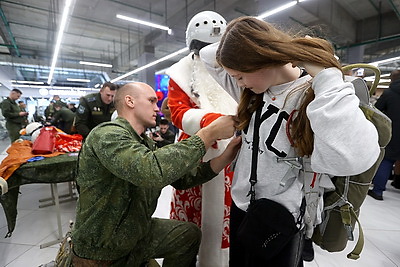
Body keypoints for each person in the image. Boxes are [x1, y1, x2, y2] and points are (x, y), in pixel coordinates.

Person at [200, 16, 380, 266]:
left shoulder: (316, 95)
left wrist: (324, 74)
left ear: (260, 61)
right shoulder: (254, 91)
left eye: (240, 76)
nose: (238, 83)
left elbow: (352, 157)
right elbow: (209, 54)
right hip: (243, 208)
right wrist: (279, 46)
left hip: (284, 219)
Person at [71, 82, 240, 266]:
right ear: (130, 101)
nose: (157, 108)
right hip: (102, 249)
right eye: (151, 101)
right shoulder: (107, 135)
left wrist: (226, 156)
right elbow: (151, 171)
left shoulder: (145, 144)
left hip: (134, 234)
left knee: (187, 234)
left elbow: (185, 178)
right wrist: (208, 134)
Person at [166, 11, 238, 266]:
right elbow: (176, 111)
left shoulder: (232, 66)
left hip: (232, 153)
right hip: (195, 150)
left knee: (225, 216)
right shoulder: (182, 71)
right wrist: (210, 121)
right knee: (190, 211)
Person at [368, 69, 400, 199]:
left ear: (392, 78)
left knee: (386, 160)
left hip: (394, 131)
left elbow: (377, 111)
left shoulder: (389, 93)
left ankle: (378, 191)